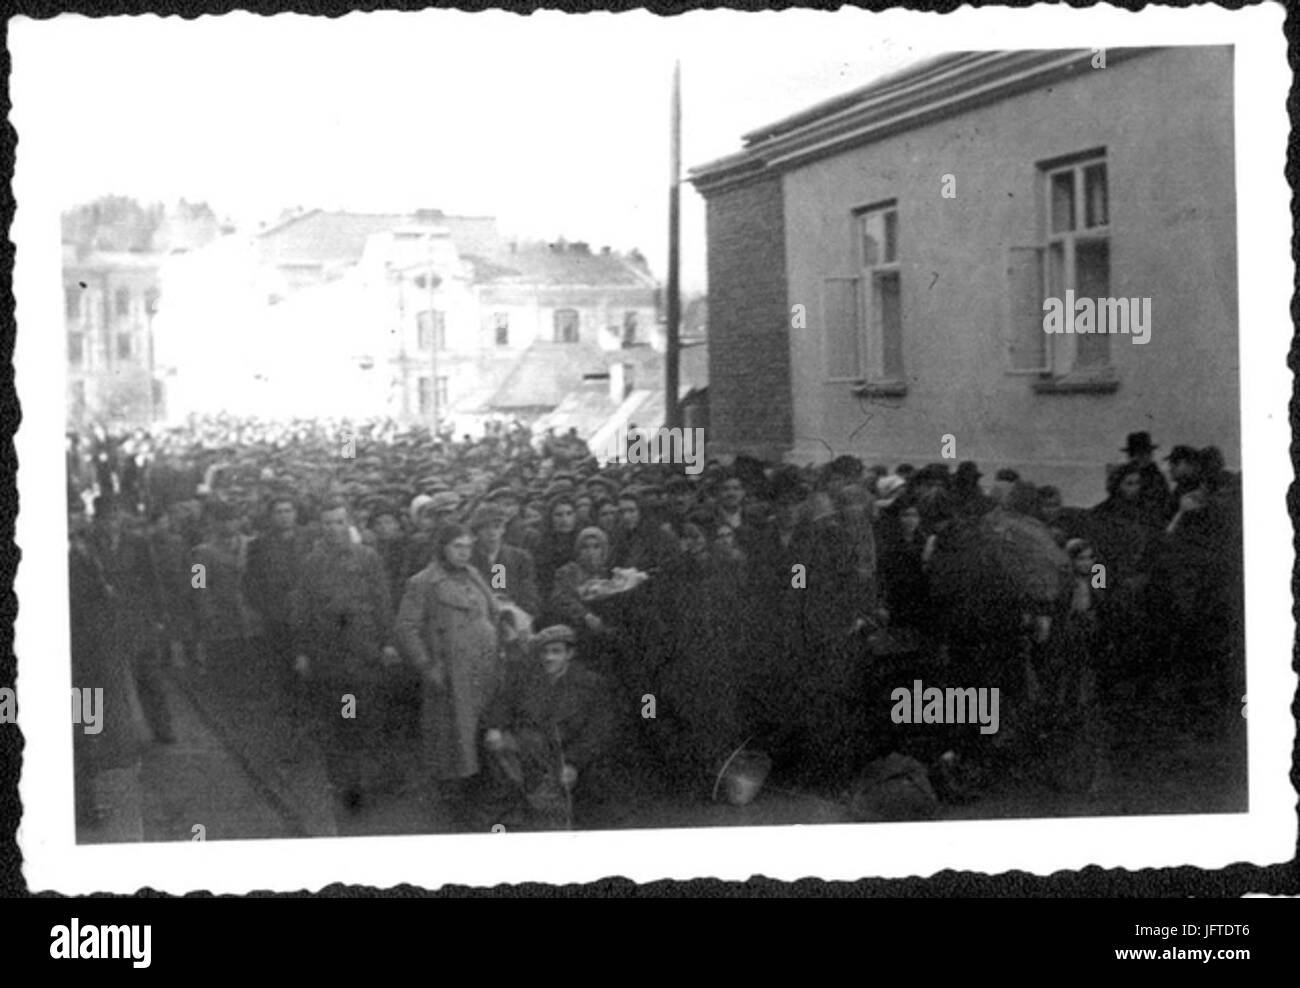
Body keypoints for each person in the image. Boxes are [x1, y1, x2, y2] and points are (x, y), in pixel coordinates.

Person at [291, 499, 401, 812]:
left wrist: (388, 642)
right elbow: (302, 608)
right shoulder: (312, 563)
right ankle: (350, 785)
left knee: (370, 717)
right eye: (328, 523)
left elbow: (382, 601)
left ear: (348, 523)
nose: (334, 529)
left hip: (364, 651)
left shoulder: (368, 558)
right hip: (330, 655)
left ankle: (375, 779)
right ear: (320, 527)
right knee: (342, 718)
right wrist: (302, 651)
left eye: (339, 522)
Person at [396, 523, 503, 827]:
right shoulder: (423, 582)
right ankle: (455, 806)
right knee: (454, 742)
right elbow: (405, 628)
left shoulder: (473, 574)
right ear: (442, 547)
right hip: (451, 673)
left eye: (468, 547)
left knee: (483, 732)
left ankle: (483, 798)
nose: (464, 553)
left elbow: (490, 611)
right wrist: (427, 665)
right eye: (457, 546)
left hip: (484, 668)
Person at [482, 625, 615, 829]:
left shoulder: (590, 684)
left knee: (557, 811)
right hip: (527, 750)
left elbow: (598, 731)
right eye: (544, 652)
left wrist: (573, 763)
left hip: (567, 754)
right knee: (498, 746)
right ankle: (513, 806)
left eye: (556, 651)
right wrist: (494, 727)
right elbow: (503, 702)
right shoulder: (527, 678)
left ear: (569, 654)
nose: (549, 658)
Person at [469, 504, 540, 619]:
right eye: (485, 528)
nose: (491, 533)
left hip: (515, 616)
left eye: (496, 527)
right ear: (477, 532)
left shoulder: (520, 558)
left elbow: (528, 594)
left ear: (503, 529)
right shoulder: (468, 559)